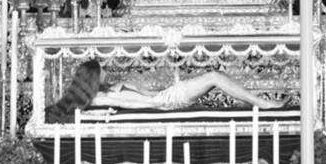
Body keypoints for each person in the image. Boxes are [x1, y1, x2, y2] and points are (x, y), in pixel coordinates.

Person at [45, 60, 285, 122]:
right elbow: (134, 104)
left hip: (165, 96)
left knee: (213, 77)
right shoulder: (98, 97)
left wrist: (167, 88)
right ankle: (261, 104)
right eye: (102, 70)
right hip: (166, 102)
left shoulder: (107, 89)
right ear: (92, 77)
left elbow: (146, 95)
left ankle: (260, 103)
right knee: (214, 77)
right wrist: (156, 105)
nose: (106, 71)